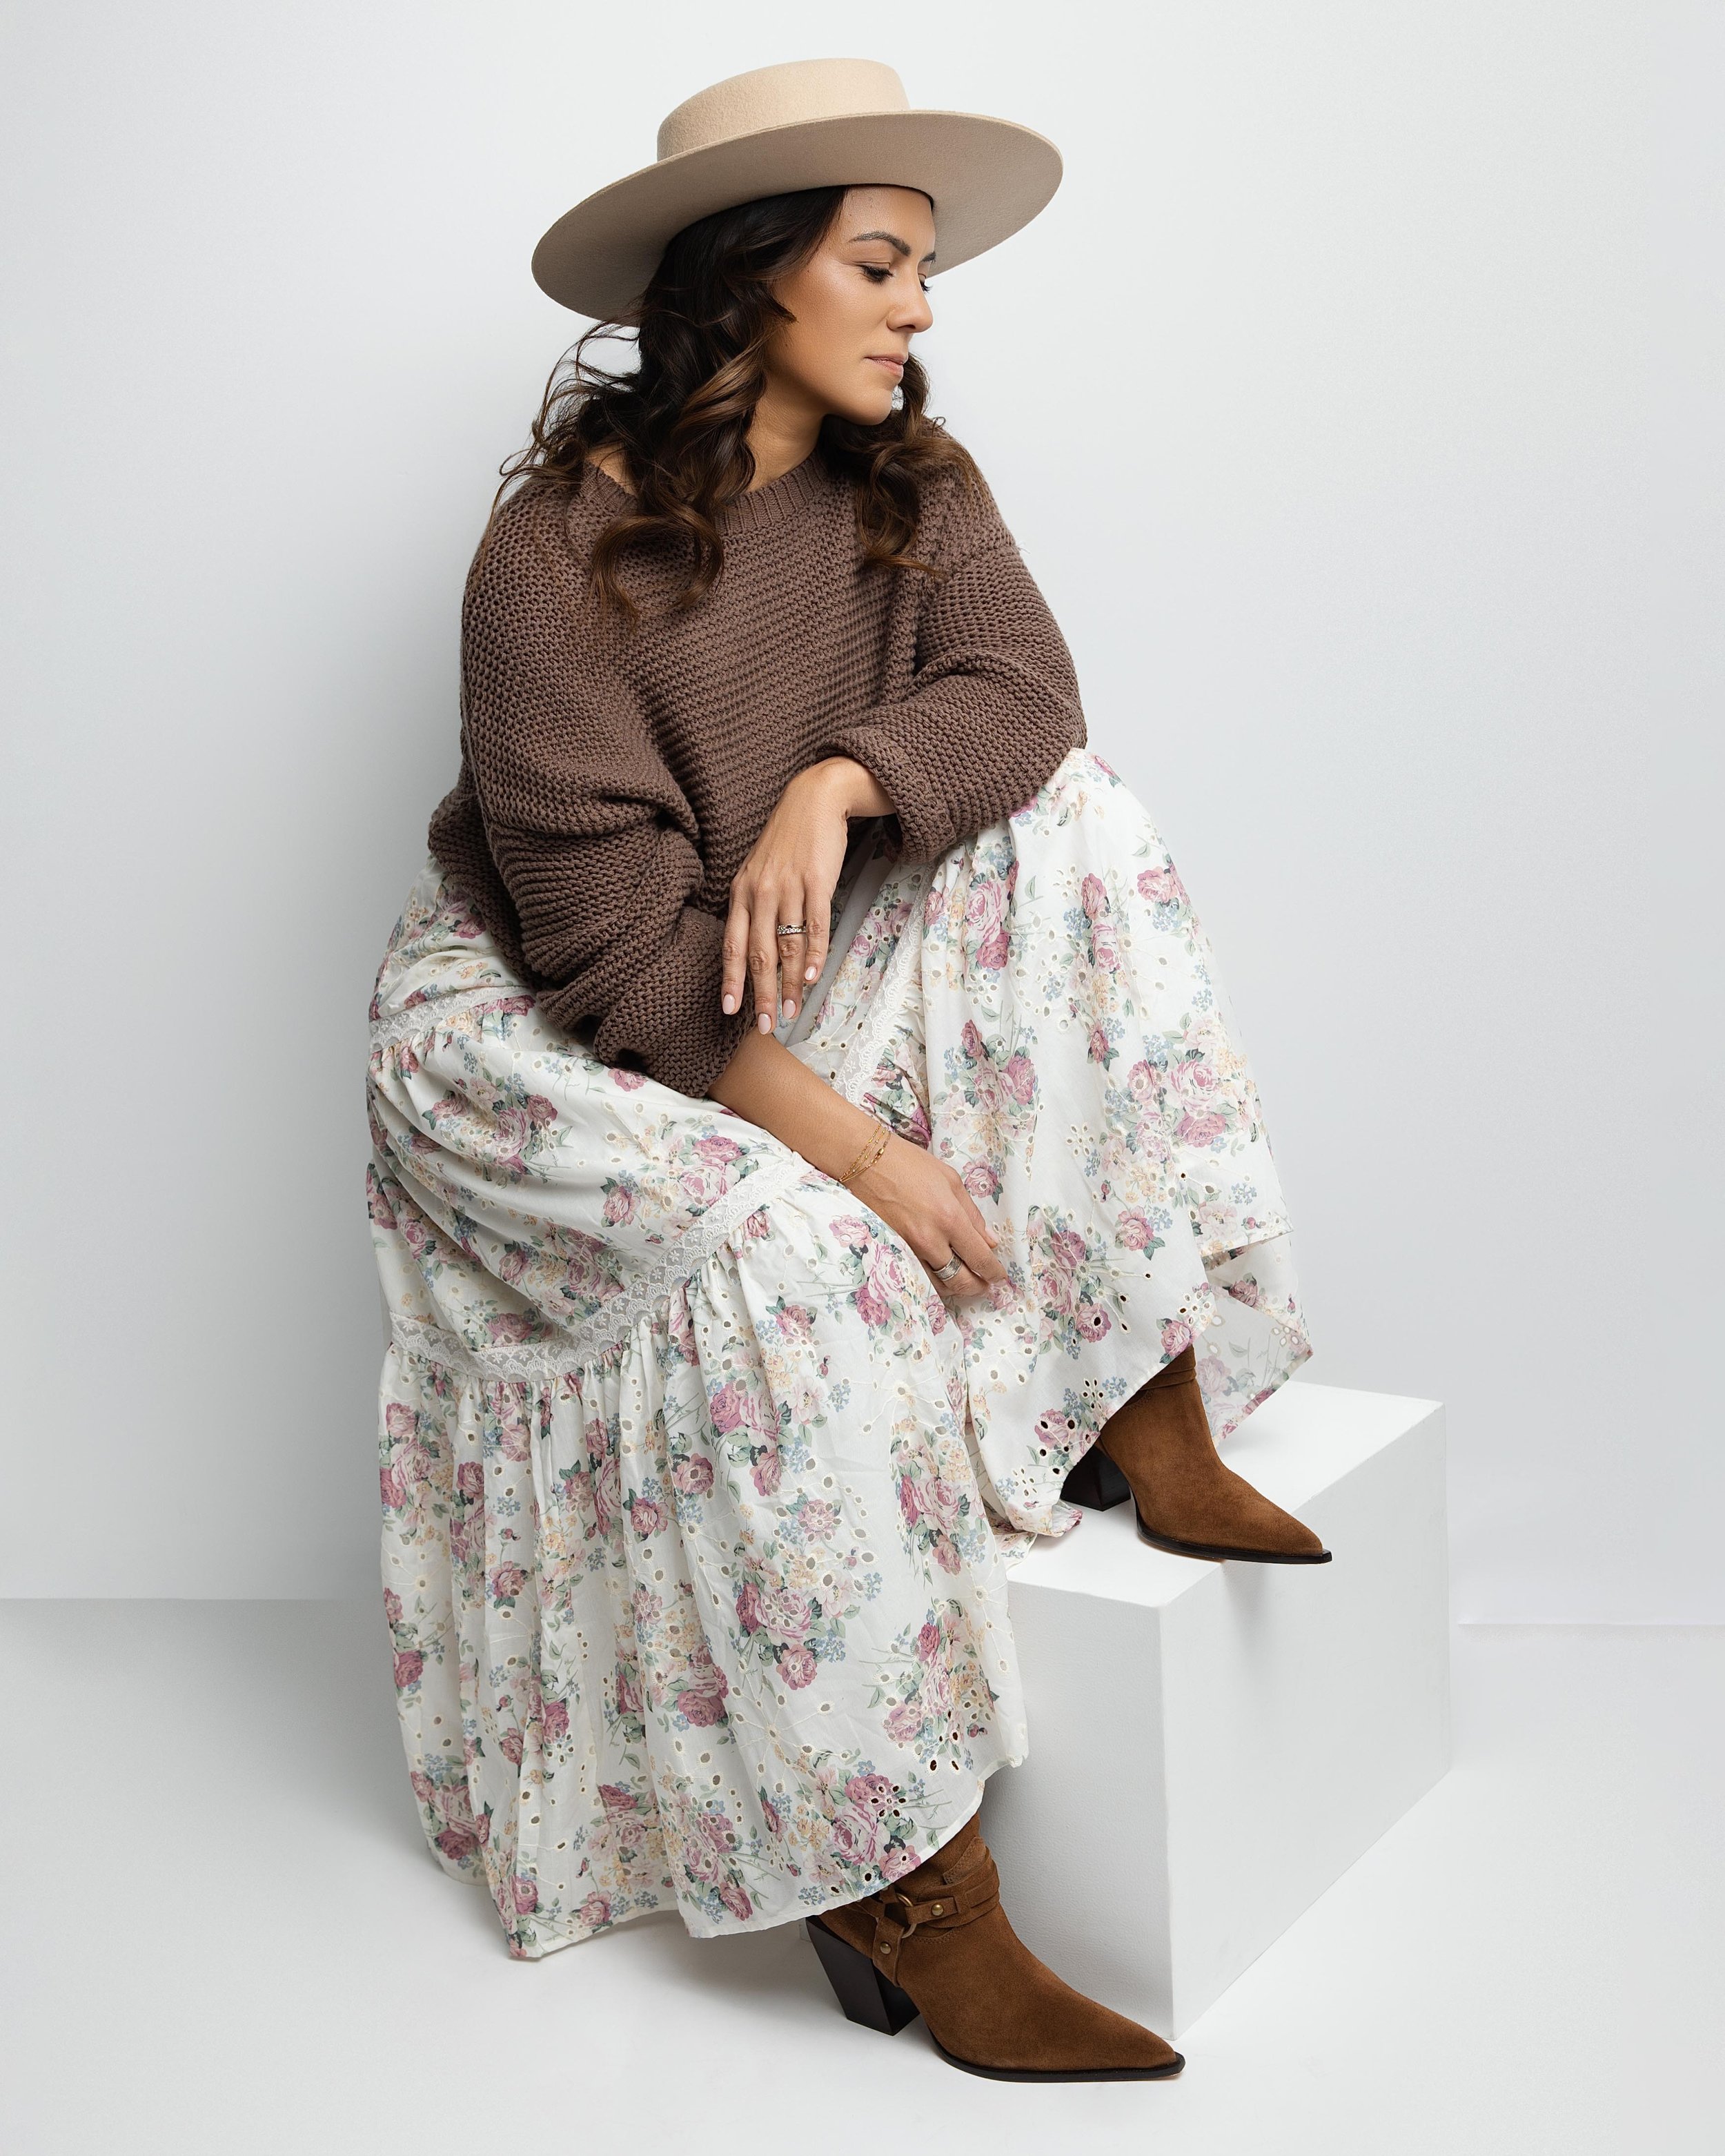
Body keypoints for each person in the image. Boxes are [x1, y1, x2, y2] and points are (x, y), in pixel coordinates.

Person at [365, 57, 1322, 2082]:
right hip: (537, 1018)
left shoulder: (920, 485)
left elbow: (1027, 700)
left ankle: (1135, 1392)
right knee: (790, 1256)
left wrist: (834, 776)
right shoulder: (551, 555)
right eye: (881, 264)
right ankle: (912, 1904)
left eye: (923, 271)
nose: (918, 309)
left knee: (1084, 820)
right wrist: (875, 1165)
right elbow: (616, 956)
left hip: (765, 938)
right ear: (748, 279)